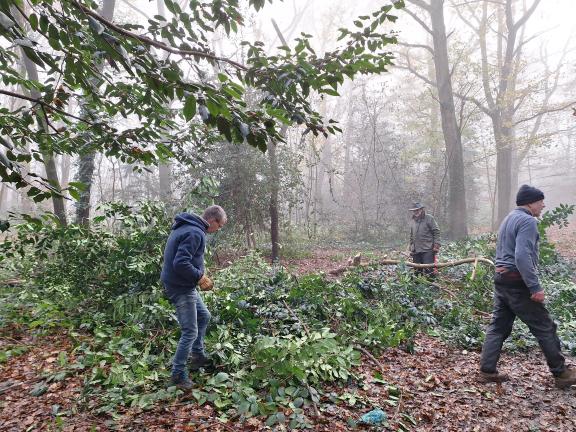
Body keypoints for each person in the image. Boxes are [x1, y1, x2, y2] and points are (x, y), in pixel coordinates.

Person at [479, 185, 576, 388]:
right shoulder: (527, 221)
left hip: (501, 279)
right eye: (540, 201)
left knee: (498, 326)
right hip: (517, 282)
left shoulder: (509, 218)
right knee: (545, 327)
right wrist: (534, 287)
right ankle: (561, 374)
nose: (543, 205)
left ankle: (487, 371)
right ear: (530, 203)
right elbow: (522, 256)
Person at [160, 205, 227, 389]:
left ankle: (197, 356)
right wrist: (200, 276)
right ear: (213, 220)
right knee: (190, 331)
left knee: (204, 316)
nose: (217, 230)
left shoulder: (188, 226)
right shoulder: (195, 232)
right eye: (219, 226)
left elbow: (186, 259)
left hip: (181, 283)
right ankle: (178, 375)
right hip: (180, 286)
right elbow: (181, 262)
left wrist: (198, 273)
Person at [408, 202, 441, 278]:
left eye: (417, 210)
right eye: (414, 210)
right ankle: (418, 287)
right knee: (417, 271)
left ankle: (431, 286)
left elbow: (436, 231)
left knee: (429, 270)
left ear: (421, 209)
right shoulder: (413, 221)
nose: (415, 212)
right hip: (416, 250)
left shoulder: (429, 218)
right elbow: (411, 235)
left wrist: (436, 245)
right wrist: (411, 247)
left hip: (428, 249)